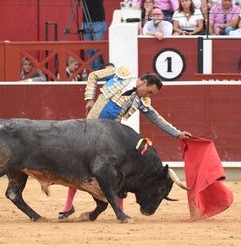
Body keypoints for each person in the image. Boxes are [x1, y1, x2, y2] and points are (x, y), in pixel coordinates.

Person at [58, 66, 192, 219]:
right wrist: (89, 99)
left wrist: (177, 134)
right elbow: (93, 76)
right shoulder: (120, 75)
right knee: (79, 168)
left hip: (110, 140)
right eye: (149, 92)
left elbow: (156, 118)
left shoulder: (141, 101)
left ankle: (120, 210)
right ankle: (68, 206)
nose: (149, 96)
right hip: (89, 132)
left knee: (121, 172)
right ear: (143, 82)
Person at [82, 0, 106, 71]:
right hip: (86, 21)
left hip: (97, 20)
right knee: (89, 49)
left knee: (97, 49)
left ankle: (97, 71)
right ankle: (91, 70)